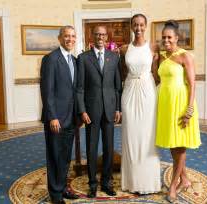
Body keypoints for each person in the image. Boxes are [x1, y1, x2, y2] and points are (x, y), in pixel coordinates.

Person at [155, 20, 201, 203]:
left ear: (177, 38)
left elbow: (192, 84)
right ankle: (185, 179)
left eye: (169, 37)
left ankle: (173, 186)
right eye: (163, 37)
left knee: (180, 147)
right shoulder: (161, 55)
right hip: (166, 105)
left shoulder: (185, 56)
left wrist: (189, 109)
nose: (166, 40)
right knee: (173, 146)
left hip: (181, 104)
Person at [76, 25, 122, 198]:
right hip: (91, 111)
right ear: (92, 37)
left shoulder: (114, 57)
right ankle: (92, 184)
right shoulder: (83, 58)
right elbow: (79, 88)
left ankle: (107, 182)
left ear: (107, 37)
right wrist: (82, 110)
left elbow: (118, 87)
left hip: (110, 110)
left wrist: (118, 108)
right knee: (91, 148)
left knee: (109, 148)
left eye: (103, 35)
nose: (100, 37)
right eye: (97, 34)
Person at [120, 13, 161, 194]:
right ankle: (131, 181)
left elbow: (157, 73)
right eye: (135, 25)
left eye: (141, 25)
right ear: (131, 26)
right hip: (129, 92)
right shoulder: (123, 49)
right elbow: (121, 73)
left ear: (146, 25)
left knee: (147, 135)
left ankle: (148, 181)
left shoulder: (153, 46)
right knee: (130, 134)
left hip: (147, 92)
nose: (138, 28)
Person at [40, 25, 79, 204]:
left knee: (65, 156)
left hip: (71, 118)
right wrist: (52, 116)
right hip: (56, 118)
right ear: (59, 38)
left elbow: (74, 90)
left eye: (72, 36)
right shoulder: (50, 59)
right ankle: (55, 195)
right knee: (55, 156)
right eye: (66, 36)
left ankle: (62, 187)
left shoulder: (75, 60)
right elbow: (47, 91)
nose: (70, 39)